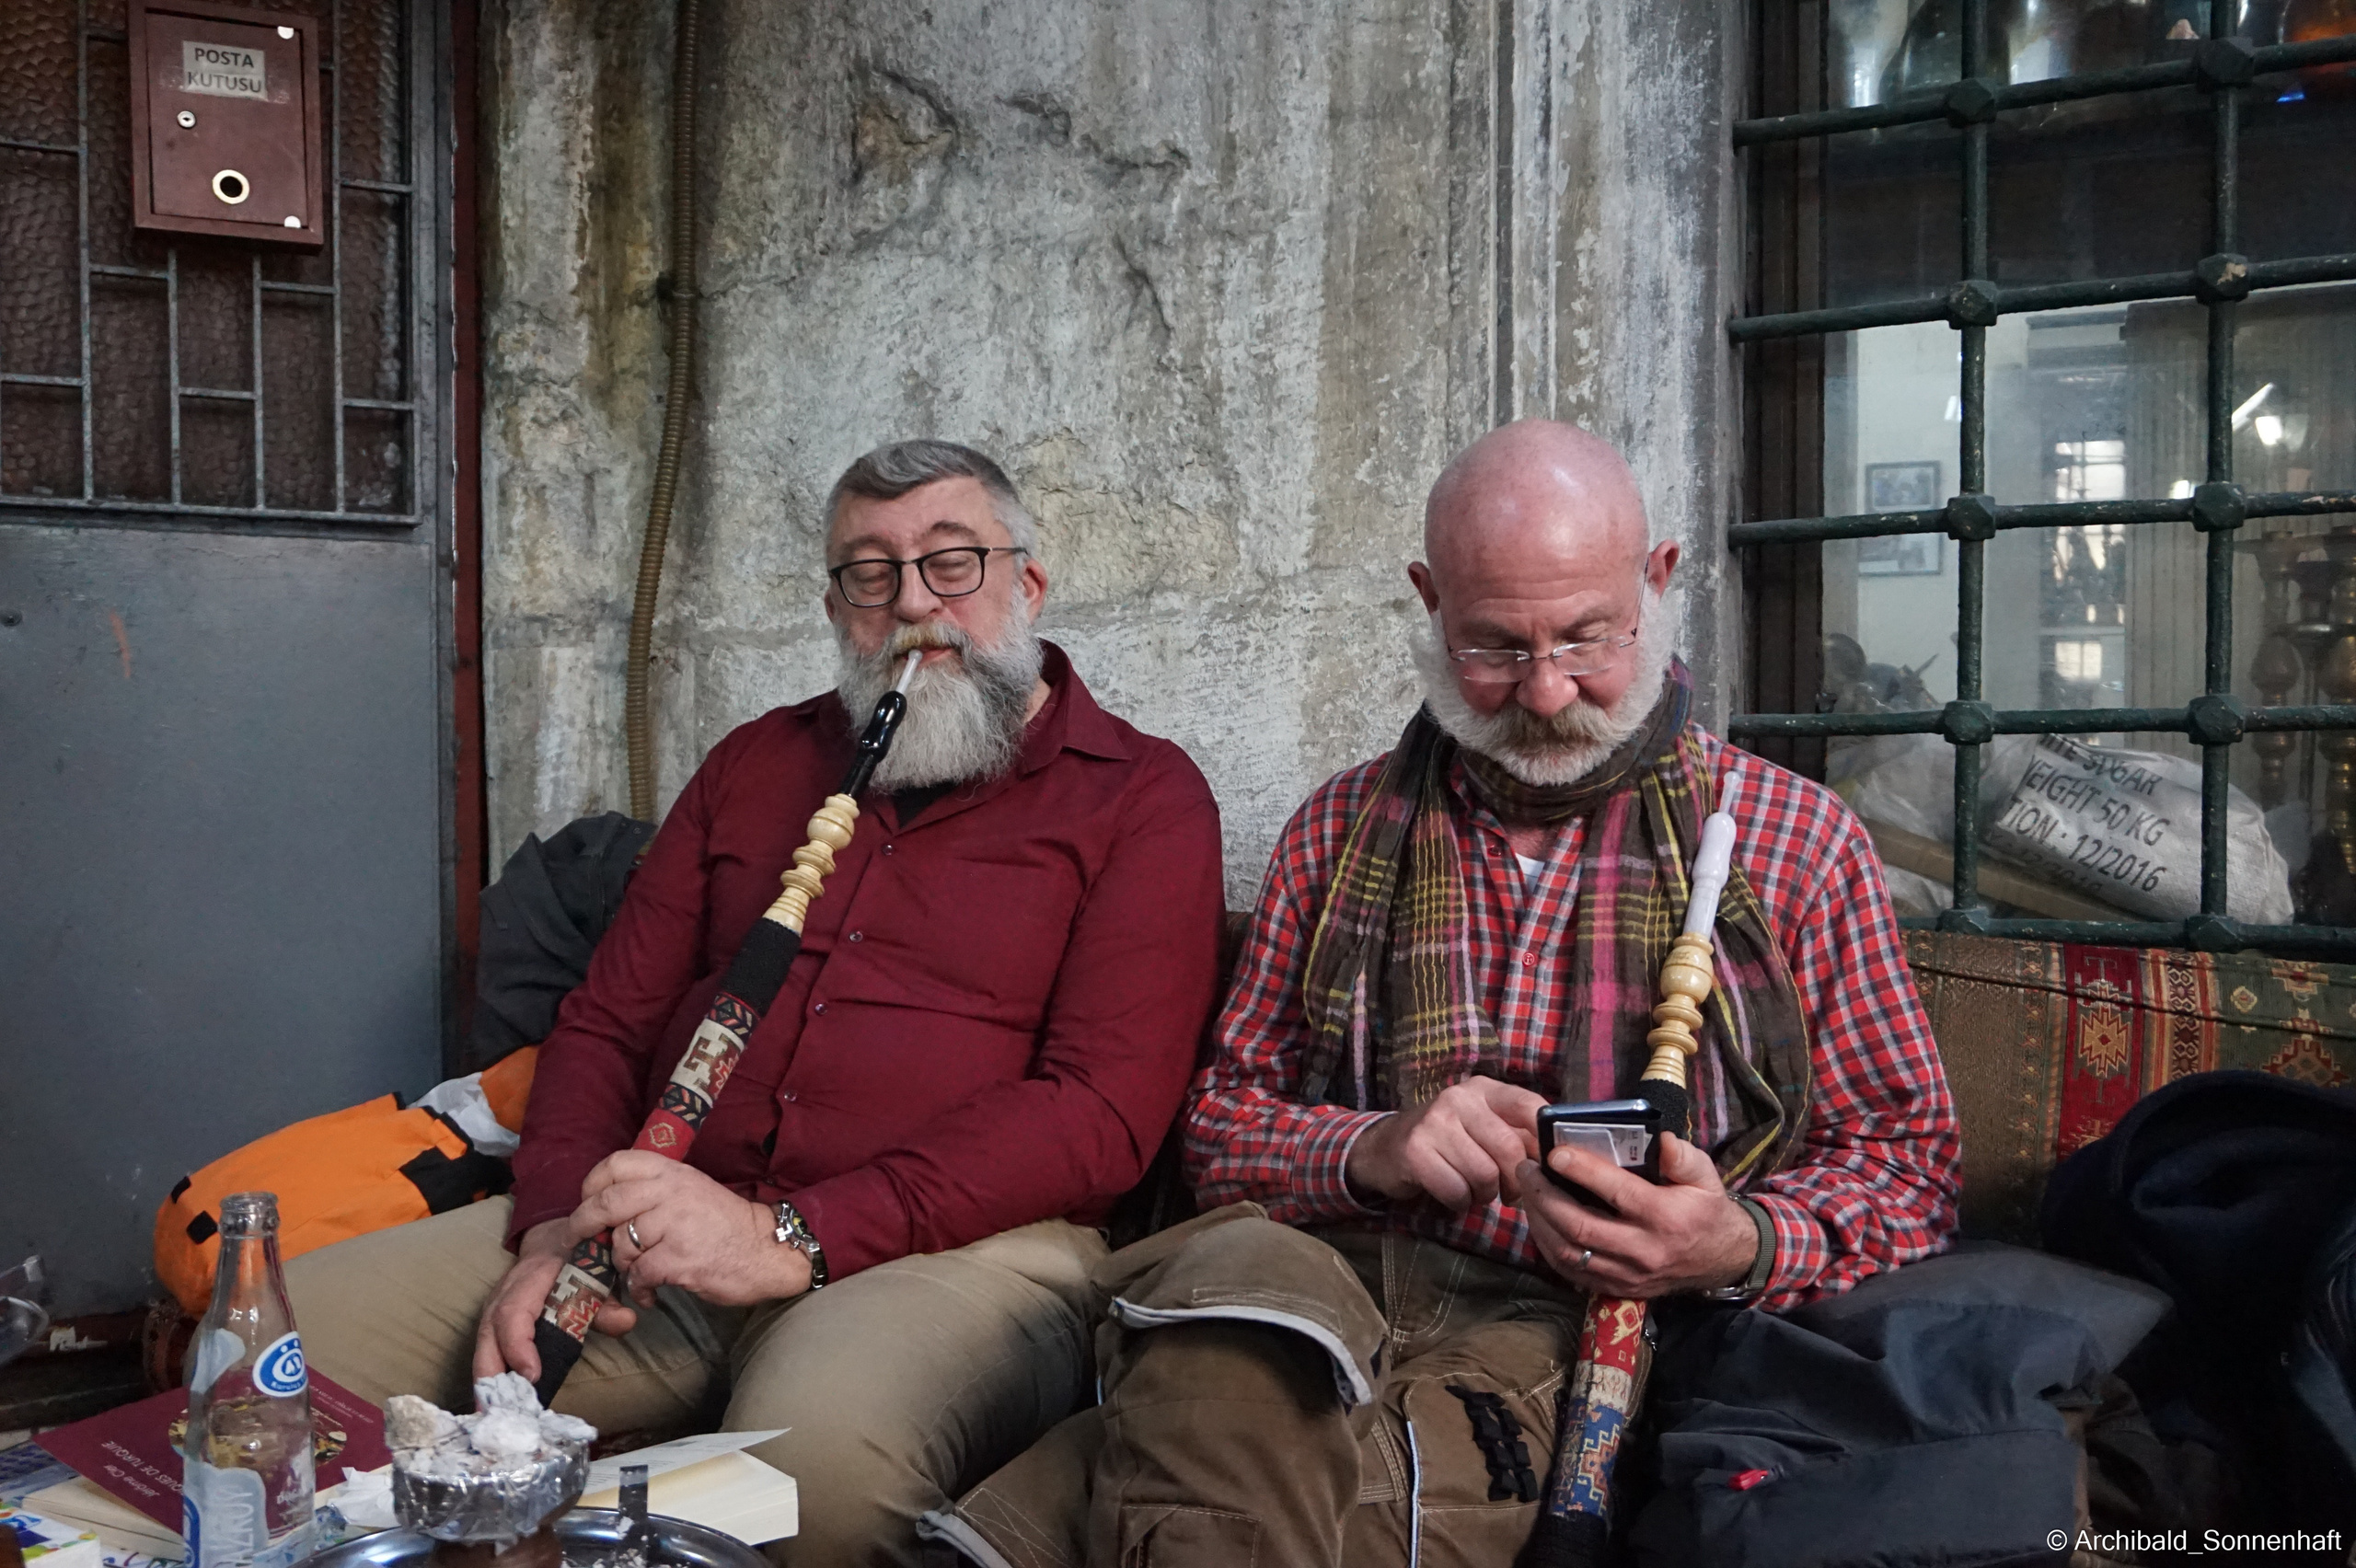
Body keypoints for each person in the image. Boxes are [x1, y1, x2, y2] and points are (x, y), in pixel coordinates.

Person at [925, 420, 1961, 1568]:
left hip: (1560, 1333)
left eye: (1587, 637)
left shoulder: (1790, 842)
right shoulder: (1336, 828)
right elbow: (1213, 1131)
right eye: (1492, 647)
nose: (1546, 690)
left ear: (1656, 582)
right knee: (1226, 1312)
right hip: (1308, 1274)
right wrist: (1372, 1147)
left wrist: (1732, 1243)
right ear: (1427, 601)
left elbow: (1909, 1172)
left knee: (1053, 1531)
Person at [286, 440, 1226, 1566]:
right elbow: (607, 1019)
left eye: (952, 563)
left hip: (961, 1254)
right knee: (277, 1350)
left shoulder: (1142, 796)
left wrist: (789, 1237)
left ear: (1025, 585)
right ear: (838, 608)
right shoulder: (755, 763)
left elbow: (1100, 1115)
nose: (914, 605)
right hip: (659, 1227)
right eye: (869, 575)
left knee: (815, 1479)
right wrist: (551, 1229)